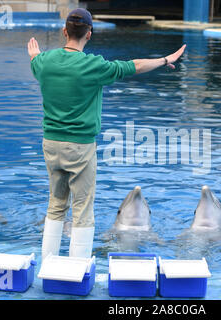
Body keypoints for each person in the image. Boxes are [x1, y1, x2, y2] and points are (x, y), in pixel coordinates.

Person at [28, 8, 186, 258]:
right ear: (89, 34)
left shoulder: (43, 63)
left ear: (64, 31)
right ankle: (77, 267)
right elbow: (135, 66)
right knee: (82, 209)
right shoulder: (93, 66)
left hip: (50, 144)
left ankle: (48, 263)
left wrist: (35, 54)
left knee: (56, 206)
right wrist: (165, 60)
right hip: (79, 147)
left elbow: (36, 61)